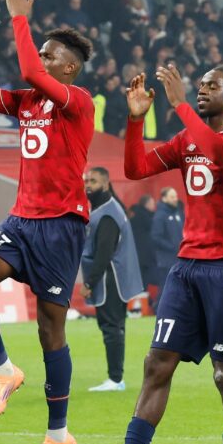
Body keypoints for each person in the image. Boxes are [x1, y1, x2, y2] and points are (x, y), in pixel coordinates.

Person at [75, 65, 223, 444]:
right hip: (187, 265)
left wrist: (177, 103)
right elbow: (136, 168)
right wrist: (136, 118)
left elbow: (219, 150)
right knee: (157, 363)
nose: (200, 93)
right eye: (196, 88)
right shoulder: (186, 140)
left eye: (211, 87)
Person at [0, 0, 95, 444]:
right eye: (40, 49)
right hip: (20, 220)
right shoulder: (28, 103)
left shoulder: (75, 101)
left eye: (49, 55)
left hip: (60, 225)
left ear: (69, 68)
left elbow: (30, 71)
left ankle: (58, 436)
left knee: (50, 330)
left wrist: (20, 21)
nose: (40, 58)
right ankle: (5, 372)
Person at [81, 166, 144, 393]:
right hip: (115, 277)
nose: (88, 185)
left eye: (94, 181)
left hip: (111, 278)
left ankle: (115, 379)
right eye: (87, 181)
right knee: (115, 327)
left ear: (106, 184)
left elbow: (104, 253)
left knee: (111, 327)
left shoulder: (107, 213)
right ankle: (116, 378)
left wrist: (89, 283)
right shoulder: (108, 209)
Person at [150, 187, 183, 285]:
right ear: (164, 199)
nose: (175, 199)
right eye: (172, 197)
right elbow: (156, 237)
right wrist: (173, 247)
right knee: (165, 289)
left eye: (176, 196)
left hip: (179, 259)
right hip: (166, 261)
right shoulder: (160, 215)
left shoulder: (178, 213)